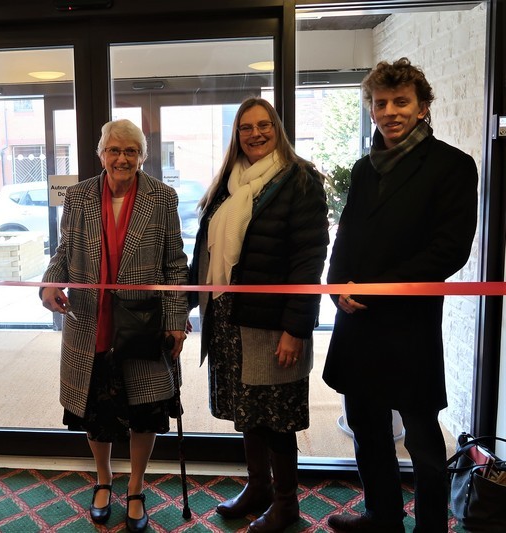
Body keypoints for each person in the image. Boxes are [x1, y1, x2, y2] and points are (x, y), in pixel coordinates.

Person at [323, 58, 478, 533]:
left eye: (401, 101)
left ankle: (431, 527)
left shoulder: (453, 165)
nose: (389, 111)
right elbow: (345, 236)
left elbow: (448, 251)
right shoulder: (363, 167)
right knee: (367, 431)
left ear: (423, 106)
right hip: (358, 322)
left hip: (409, 323)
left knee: (424, 440)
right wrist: (336, 286)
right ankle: (381, 516)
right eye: (380, 102)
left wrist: (377, 290)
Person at [40, 119, 189, 532]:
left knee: (145, 408)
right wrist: (50, 281)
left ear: (142, 155)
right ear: (100, 154)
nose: (121, 158)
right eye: (113, 150)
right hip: (91, 320)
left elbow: (176, 264)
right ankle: (104, 479)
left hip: (144, 324)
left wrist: (178, 319)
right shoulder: (79, 196)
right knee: (96, 411)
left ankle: (137, 485)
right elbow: (65, 249)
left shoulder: (162, 197)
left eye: (131, 151)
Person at [190, 97, 329, 532]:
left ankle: (287, 504)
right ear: (237, 134)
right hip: (230, 317)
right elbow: (206, 247)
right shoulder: (227, 184)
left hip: (272, 322)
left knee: (277, 415)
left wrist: (295, 328)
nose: (255, 133)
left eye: (264, 125)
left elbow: (310, 260)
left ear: (278, 129)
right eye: (246, 127)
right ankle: (258, 488)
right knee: (248, 411)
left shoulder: (299, 179)